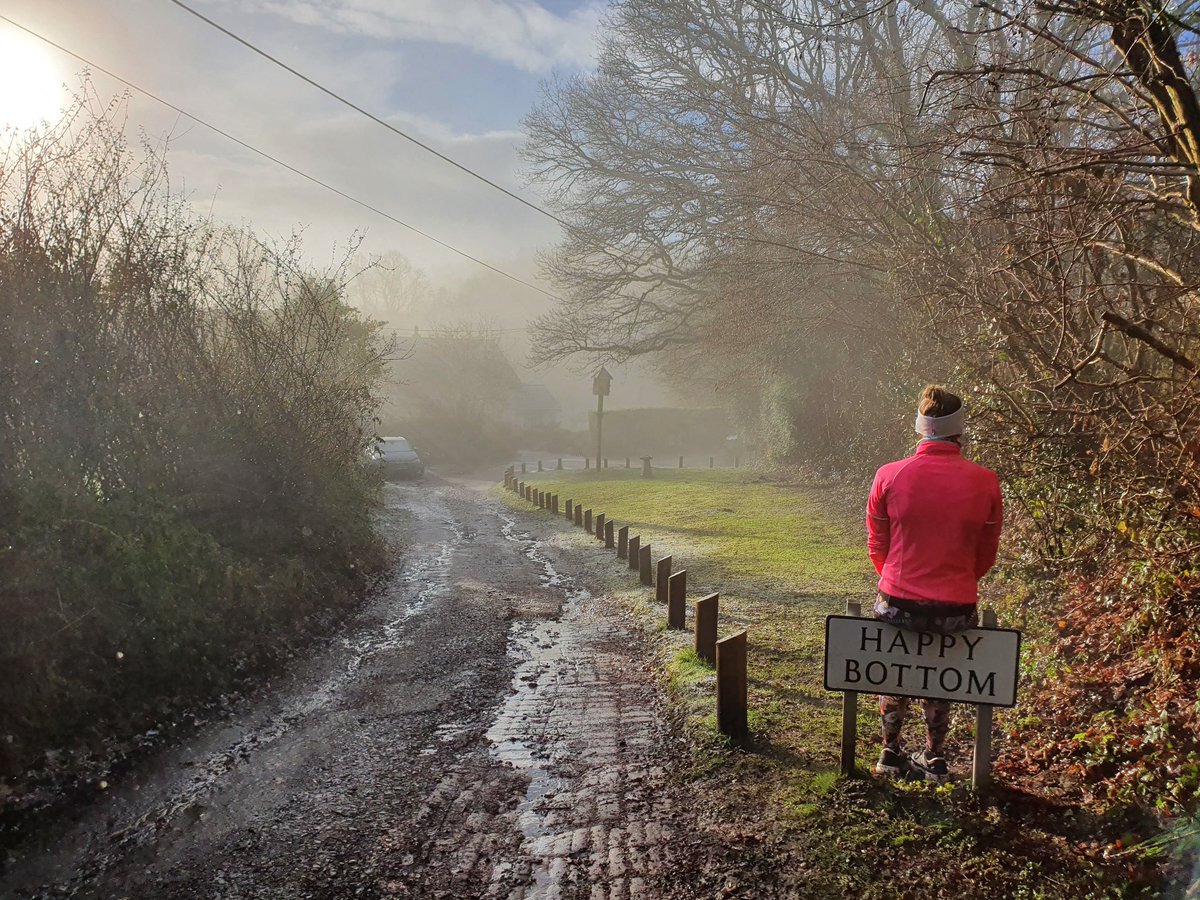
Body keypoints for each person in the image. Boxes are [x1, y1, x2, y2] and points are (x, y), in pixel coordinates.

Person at [865, 385, 1002, 783]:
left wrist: (893, 579)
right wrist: (957, 582)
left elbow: (878, 544)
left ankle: (890, 751)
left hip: (897, 598)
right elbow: (986, 553)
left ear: (921, 428)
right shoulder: (985, 481)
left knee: (895, 670)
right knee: (940, 672)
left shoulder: (890, 475)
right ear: (960, 430)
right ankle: (935, 756)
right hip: (956, 604)